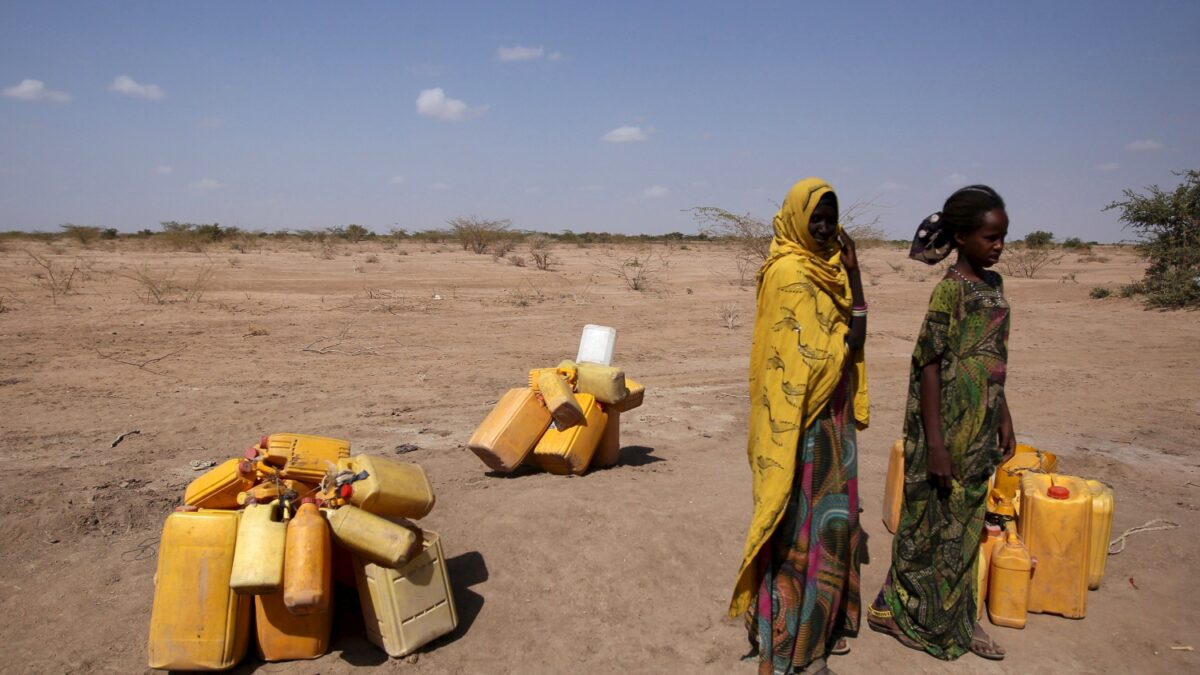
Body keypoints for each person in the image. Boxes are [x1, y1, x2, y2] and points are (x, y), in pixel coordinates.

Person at [868, 185, 1017, 661]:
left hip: (980, 426)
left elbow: (991, 358)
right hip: (945, 428)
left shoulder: (992, 287)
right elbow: (929, 364)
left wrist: (1004, 415)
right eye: (990, 237)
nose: (998, 246)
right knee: (927, 523)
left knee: (967, 526)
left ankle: (955, 615)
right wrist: (934, 442)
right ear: (962, 236)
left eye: (1002, 237)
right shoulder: (949, 291)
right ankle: (897, 610)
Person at [729, 178, 870, 675]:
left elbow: (854, 335)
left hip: (832, 418)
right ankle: (784, 641)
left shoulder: (833, 269)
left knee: (831, 524)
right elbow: (788, 360)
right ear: (795, 217)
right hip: (796, 424)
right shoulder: (787, 272)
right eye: (817, 218)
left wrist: (855, 276)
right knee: (793, 529)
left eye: (832, 218)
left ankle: (819, 630)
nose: (827, 227)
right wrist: (837, 347)